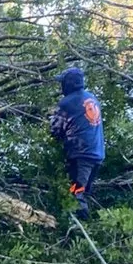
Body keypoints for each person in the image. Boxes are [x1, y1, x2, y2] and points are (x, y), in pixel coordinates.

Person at [50, 67, 105, 220]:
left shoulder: (66, 103)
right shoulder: (92, 98)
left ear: (67, 84)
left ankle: (82, 231)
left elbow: (55, 130)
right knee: (82, 191)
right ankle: (88, 224)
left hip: (81, 157)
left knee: (76, 193)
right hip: (97, 155)